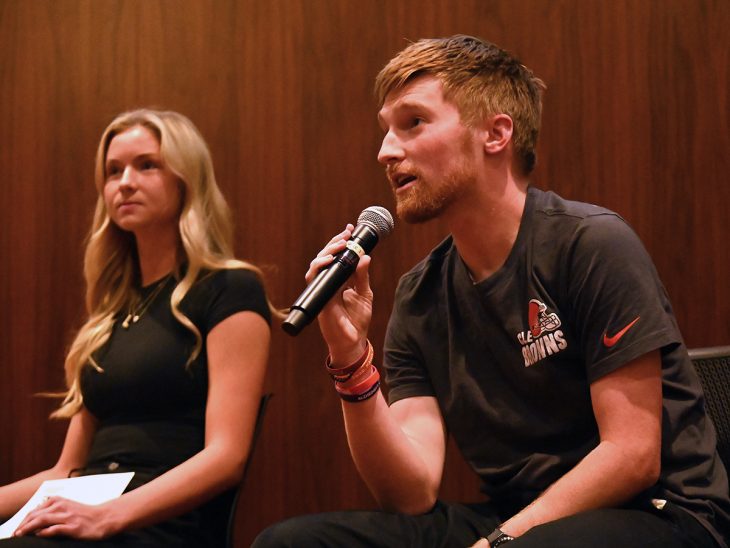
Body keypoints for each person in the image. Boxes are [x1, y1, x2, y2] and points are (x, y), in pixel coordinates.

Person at [253, 35, 730, 547]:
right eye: (386, 130)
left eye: (413, 123)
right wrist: (351, 360)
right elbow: (410, 492)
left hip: (658, 512)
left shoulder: (590, 244)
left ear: (496, 134)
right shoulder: (420, 296)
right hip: (518, 519)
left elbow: (632, 456)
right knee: (291, 542)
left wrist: (501, 541)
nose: (385, 151)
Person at [0, 109, 275, 546]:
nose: (125, 182)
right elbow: (64, 470)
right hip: (83, 508)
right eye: (113, 171)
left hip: (157, 522)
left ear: (187, 179)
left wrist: (109, 516)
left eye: (147, 165)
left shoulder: (231, 288)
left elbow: (226, 457)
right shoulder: (111, 313)